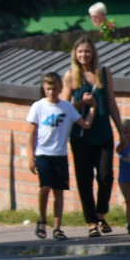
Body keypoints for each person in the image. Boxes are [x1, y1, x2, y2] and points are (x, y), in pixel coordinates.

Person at [60, 37, 122, 238]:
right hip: (81, 135)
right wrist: (81, 103)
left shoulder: (103, 73)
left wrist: (121, 130)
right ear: (75, 55)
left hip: (103, 131)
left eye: (87, 51)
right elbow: (63, 107)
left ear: (93, 53)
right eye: (80, 52)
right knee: (84, 178)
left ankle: (101, 212)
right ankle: (92, 221)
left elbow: (111, 102)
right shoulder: (71, 76)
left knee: (105, 176)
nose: (84, 55)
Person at [26, 71, 96, 242]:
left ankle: (57, 227)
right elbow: (31, 134)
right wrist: (30, 156)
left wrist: (92, 107)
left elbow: (85, 124)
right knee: (45, 187)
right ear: (44, 88)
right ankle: (42, 220)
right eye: (49, 88)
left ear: (60, 88)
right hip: (43, 153)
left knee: (59, 191)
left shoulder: (66, 107)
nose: (52, 92)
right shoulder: (38, 107)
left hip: (60, 154)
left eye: (55, 88)